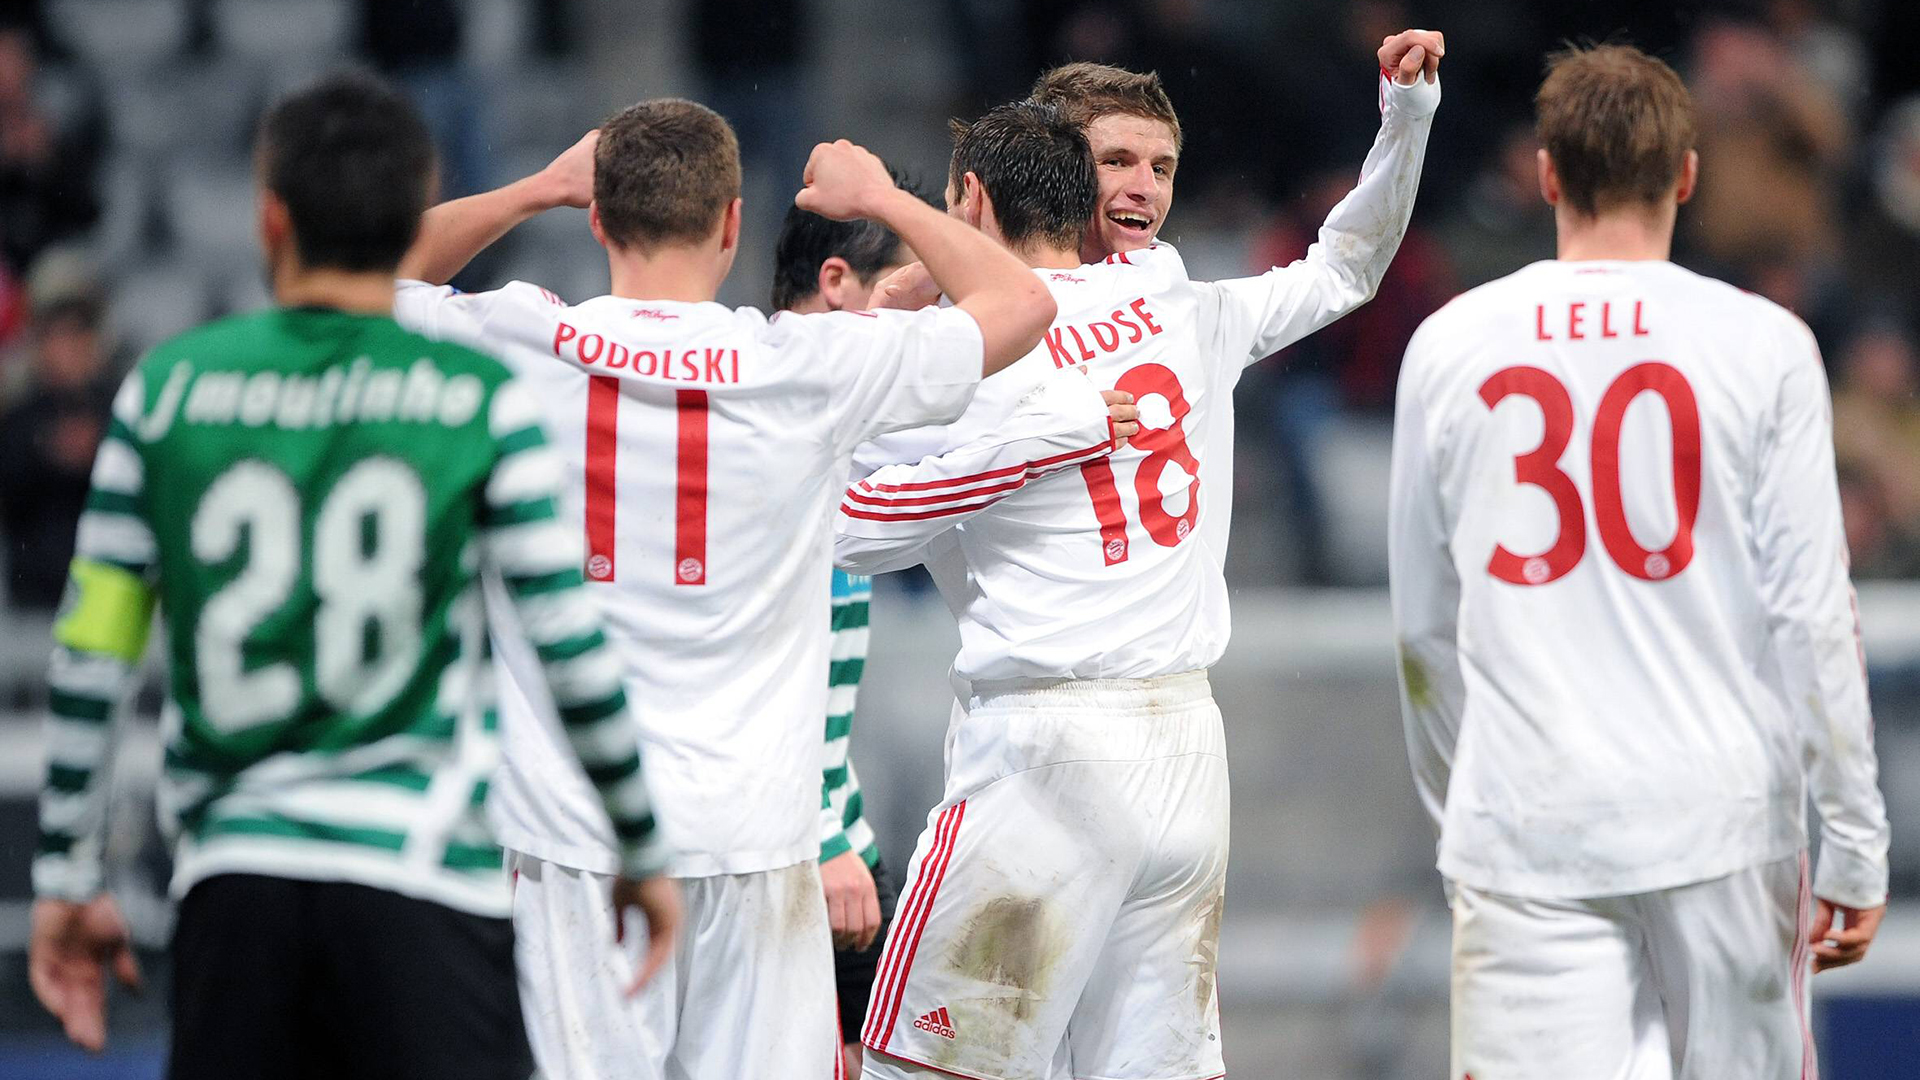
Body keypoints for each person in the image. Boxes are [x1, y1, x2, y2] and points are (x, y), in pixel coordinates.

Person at [391, 100, 1061, 1079]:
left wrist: (537, 184)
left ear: (596, 218)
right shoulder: (805, 366)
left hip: (578, 841)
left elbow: (365, 278)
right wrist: (882, 198)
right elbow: (1024, 306)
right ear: (733, 225)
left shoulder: (521, 342)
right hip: (757, 837)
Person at [26, 74, 677, 1079]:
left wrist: (67, 875)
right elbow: (566, 641)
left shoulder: (168, 392)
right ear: (417, 198)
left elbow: (94, 643)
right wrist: (638, 843)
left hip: (236, 886)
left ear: (270, 217)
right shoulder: (474, 400)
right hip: (423, 885)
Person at [836, 26, 1441, 1072]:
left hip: (1044, 750)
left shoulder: (967, 346)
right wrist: (1409, 120)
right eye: (1117, 160)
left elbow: (850, 526)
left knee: (923, 1068)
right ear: (1059, 164)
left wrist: (891, 310)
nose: (1143, 189)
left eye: (1161, 166)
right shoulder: (1185, 305)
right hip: (1183, 760)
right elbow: (1346, 265)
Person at [1388, 44, 1890, 1080]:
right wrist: (1854, 836)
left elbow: (1423, 627)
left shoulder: (1450, 343)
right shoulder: (1763, 344)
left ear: (1547, 174)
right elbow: (1811, 610)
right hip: (1723, 816)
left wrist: (1463, 810)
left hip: (1528, 813)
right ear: (1688, 176)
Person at [769, 199, 915, 1080]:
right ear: (837, 285)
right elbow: (745, 668)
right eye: (912, 290)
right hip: (784, 841)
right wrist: (822, 834)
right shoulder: (765, 416)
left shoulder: (847, 420)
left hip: (832, 833)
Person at [0, 293, 114, 610]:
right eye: (55, 337)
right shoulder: (19, 415)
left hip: (107, 595)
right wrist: (45, 451)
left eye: (76, 335)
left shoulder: (120, 407)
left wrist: (98, 452)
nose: (66, 350)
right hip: (33, 598)